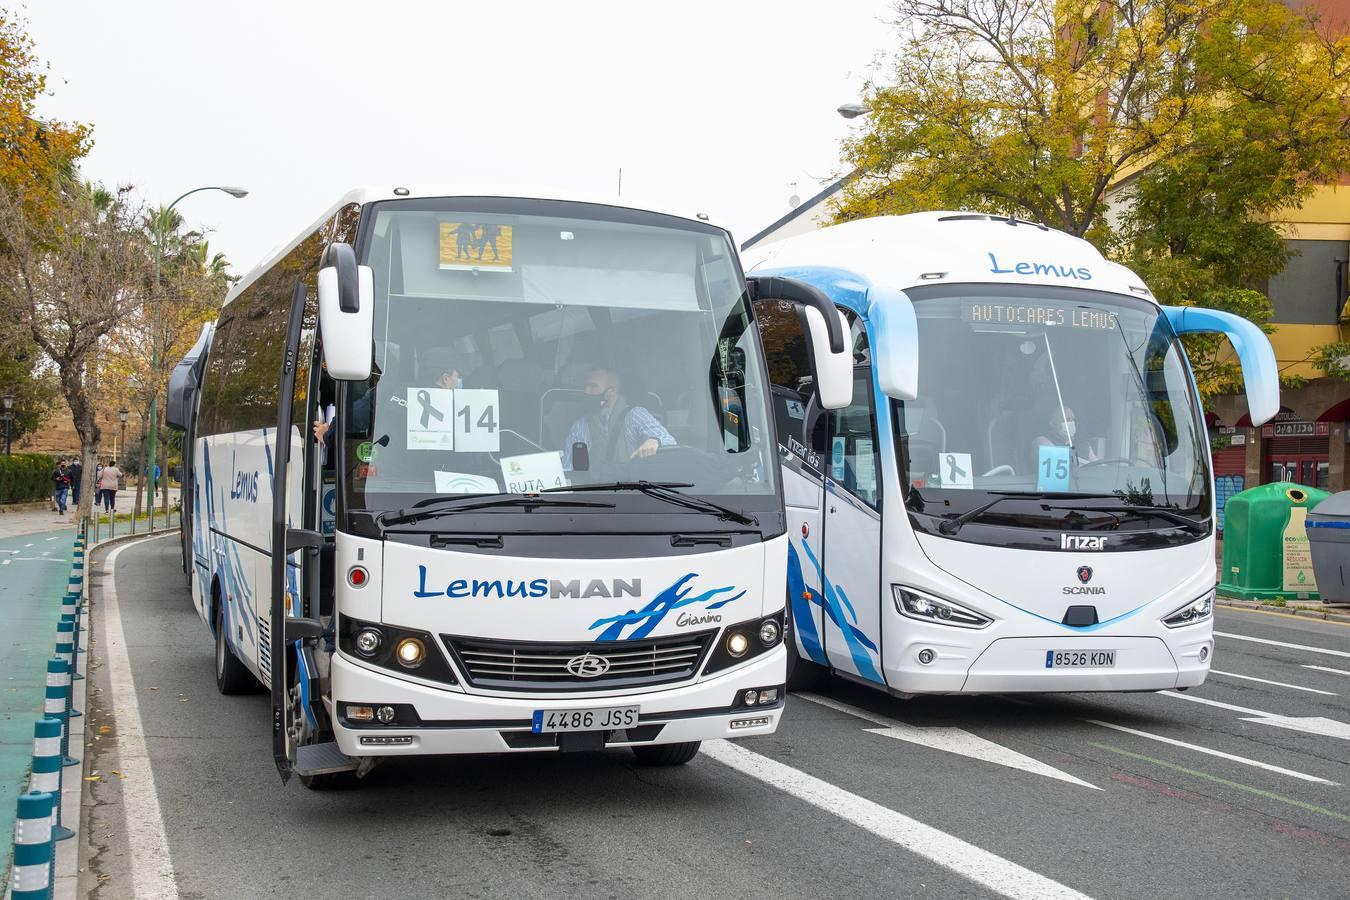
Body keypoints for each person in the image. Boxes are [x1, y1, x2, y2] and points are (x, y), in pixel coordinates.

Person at [563, 366, 675, 469]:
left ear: (610, 392)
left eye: (593, 386)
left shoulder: (635, 415)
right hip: (593, 489)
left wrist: (654, 441)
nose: (586, 391)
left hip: (634, 487)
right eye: (585, 386)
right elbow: (568, 470)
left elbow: (668, 440)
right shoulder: (579, 426)